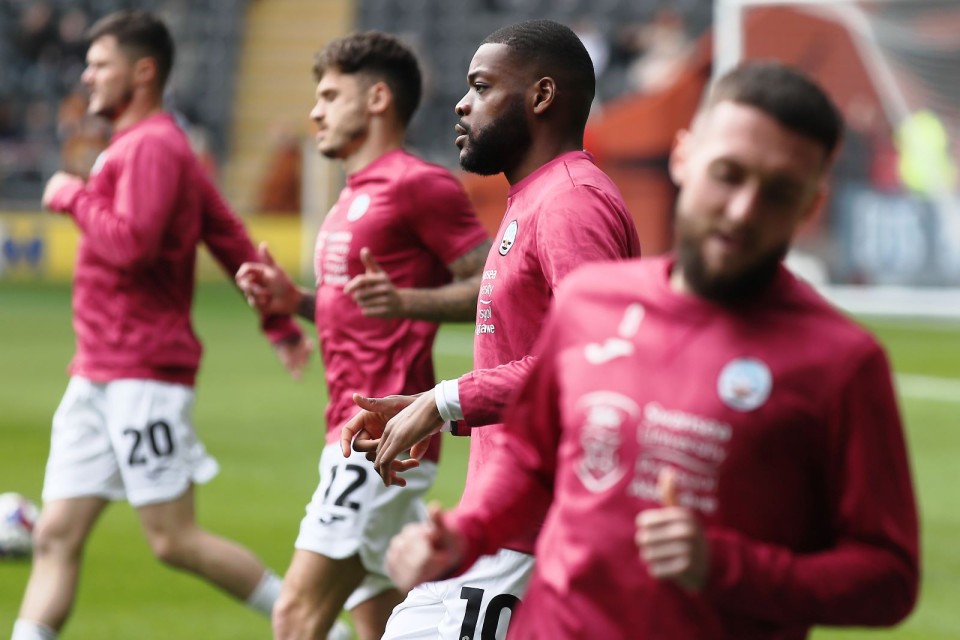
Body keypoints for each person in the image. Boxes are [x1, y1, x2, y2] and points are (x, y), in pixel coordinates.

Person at [385, 61, 921, 639]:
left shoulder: (841, 363)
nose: (743, 209)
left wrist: (726, 565)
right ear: (683, 157)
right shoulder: (594, 303)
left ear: (812, 205)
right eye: (728, 174)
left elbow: (888, 578)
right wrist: (470, 532)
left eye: (779, 191)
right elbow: (532, 460)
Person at [11, 11, 311, 640]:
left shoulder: (152, 145)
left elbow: (134, 247)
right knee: (57, 537)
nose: (87, 75)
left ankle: (314, 627)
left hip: (142, 374)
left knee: (175, 541)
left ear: (142, 71)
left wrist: (70, 194)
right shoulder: (155, 145)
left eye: (100, 64)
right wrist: (278, 325)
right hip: (96, 371)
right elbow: (226, 232)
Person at [340, 20, 642, 640]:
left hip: (529, 537)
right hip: (501, 526)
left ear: (541, 97)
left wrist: (445, 400)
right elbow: (537, 357)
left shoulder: (570, 204)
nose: (460, 102)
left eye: (480, 87)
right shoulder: (536, 198)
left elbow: (596, 361)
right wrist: (433, 407)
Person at [235, 31, 491, 640]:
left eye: (329, 95)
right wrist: (293, 300)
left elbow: (492, 285)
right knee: (381, 625)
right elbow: (359, 309)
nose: (315, 111)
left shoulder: (415, 185)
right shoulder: (352, 193)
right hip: (358, 432)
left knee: (296, 614)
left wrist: (409, 301)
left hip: (381, 437)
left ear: (376, 98)